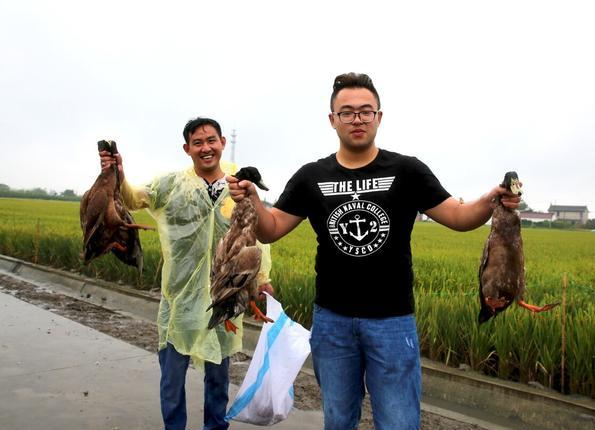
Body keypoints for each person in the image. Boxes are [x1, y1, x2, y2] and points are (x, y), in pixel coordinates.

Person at [227, 73, 521, 430]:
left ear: (379, 117)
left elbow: (458, 217)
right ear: (332, 119)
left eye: (366, 112)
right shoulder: (311, 176)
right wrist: (254, 200)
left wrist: (491, 200)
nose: (357, 120)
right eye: (347, 112)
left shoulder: (407, 170)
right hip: (332, 321)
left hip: (392, 322)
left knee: (398, 422)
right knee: (338, 420)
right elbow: (271, 229)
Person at [99, 117, 274, 430]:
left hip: (224, 296)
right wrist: (117, 173)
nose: (205, 148)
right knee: (172, 378)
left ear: (222, 142)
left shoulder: (239, 186)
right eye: (198, 142)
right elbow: (132, 198)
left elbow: (256, 235)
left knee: (218, 379)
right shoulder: (171, 184)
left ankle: (215, 427)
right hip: (178, 299)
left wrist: (262, 280)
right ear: (187, 148)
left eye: (211, 140)